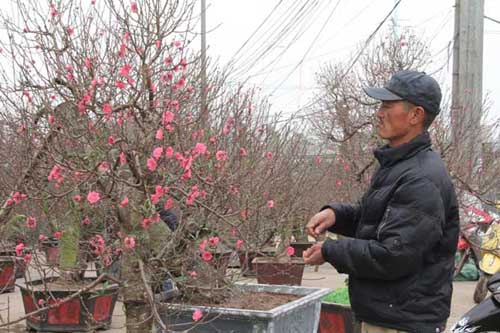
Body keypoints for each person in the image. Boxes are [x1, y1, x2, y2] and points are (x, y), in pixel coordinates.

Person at [303, 70, 460, 333]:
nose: (379, 112)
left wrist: (330, 251)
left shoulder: (421, 179)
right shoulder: (400, 164)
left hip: (401, 322)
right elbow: (377, 220)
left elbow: (393, 255)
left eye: (388, 106)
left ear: (415, 115)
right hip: (389, 314)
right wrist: (336, 216)